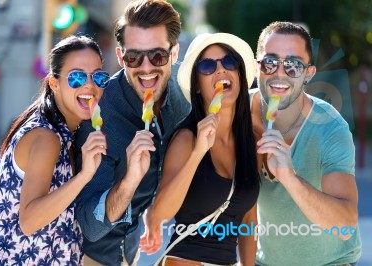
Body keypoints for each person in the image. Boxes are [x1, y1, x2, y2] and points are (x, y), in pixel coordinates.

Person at [0, 35, 109, 265]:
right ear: (54, 83)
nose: (89, 85)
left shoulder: (66, 136)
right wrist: (84, 176)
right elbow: (30, 220)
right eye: (76, 77)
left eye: (98, 76)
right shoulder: (47, 138)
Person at [73, 0, 191, 265]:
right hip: (97, 258)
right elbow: (91, 227)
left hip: (147, 251)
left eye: (158, 56)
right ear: (119, 57)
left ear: (174, 53)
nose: (146, 68)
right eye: (134, 57)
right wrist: (128, 181)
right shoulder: (100, 118)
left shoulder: (181, 94)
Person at [140, 32, 260, 265]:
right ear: (196, 86)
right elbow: (161, 214)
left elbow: (248, 220)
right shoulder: (187, 139)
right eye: (207, 66)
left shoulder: (250, 143)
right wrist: (197, 154)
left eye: (229, 61)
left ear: (240, 74)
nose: (221, 70)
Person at [251, 21, 362, 265]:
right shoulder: (235, 114)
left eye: (293, 65)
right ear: (255, 66)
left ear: (308, 74)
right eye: (270, 62)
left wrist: (289, 178)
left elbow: (345, 223)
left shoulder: (331, 128)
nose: (280, 73)